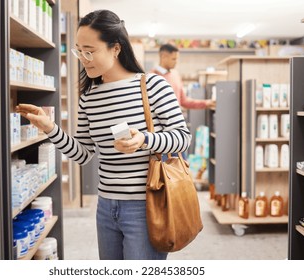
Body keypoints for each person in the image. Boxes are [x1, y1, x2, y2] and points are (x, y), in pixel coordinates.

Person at [16, 10, 191, 260]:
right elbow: (84, 154)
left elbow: (183, 136)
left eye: (90, 50)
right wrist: (49, 128)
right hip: (106, 208)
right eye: (79, 50)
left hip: (146, 206)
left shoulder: (153, 86)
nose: (83, 59)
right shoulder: (89, 97)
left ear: (116, 49)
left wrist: (145, 140)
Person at [151, 43, 215, 109]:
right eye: (173, 59)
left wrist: (206, 103)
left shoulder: (175, 75)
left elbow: (184, 101)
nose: (176, 62)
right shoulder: (151, 77)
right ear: (163, 57)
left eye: (177, 59)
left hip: (176, 118)